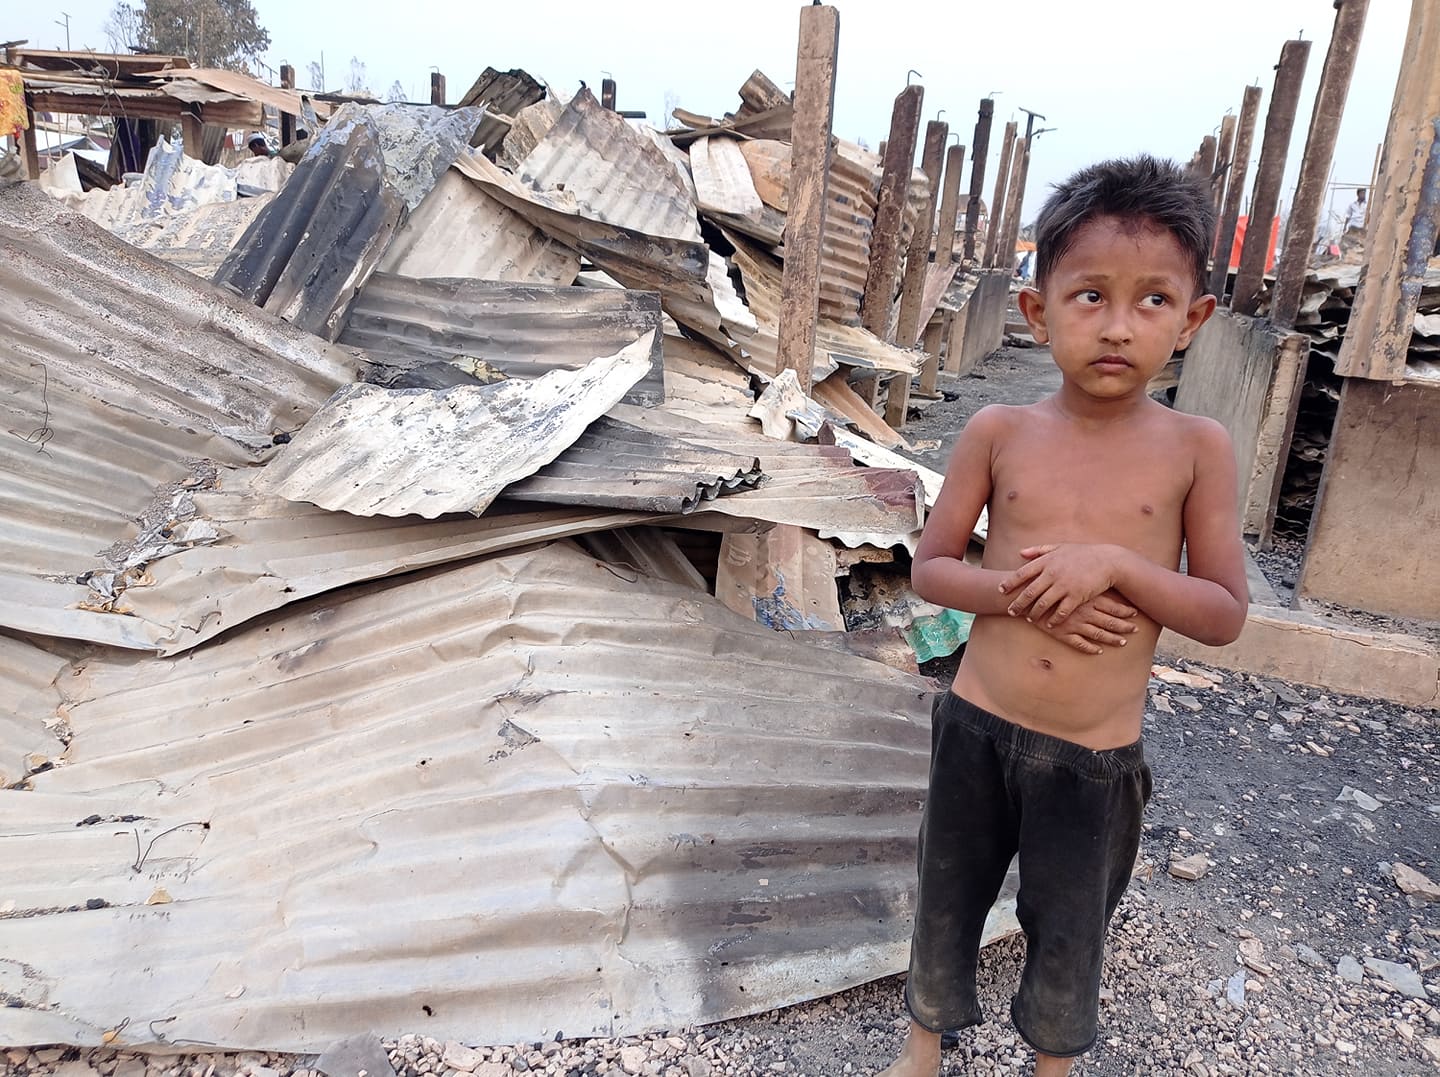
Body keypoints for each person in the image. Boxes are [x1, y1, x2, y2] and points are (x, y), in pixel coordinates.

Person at [881, 155, 1249, 1077]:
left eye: (1153, 301)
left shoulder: (1195, 449)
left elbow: (1223, 612)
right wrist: (1028, 596)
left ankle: (1052, 1067)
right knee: (947, 897)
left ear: (1194, 320)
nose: (1119, 326)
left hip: (1092, 756)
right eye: (1089, 296)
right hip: (977, 725)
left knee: (1070, 927)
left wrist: (1116, 564)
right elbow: (931, 569)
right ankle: (922, 1050)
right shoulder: (998, 431)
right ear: (1038, 312)